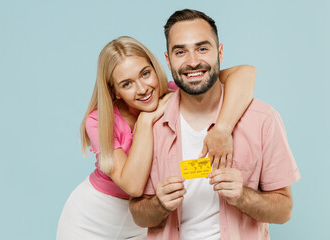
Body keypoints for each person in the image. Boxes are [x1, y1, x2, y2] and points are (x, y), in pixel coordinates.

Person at [56, 35, 256, 239]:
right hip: (93, 217)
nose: (142, 89)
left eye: (145, 73)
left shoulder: (174, 91)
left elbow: (245, 73)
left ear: (156, 67)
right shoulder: (99, 120)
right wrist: (145, 121)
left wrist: (222, 128)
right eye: (127, 84)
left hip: (146, 215)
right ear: (114, 91)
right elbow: (133, 185)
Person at [129, 9, 301, 240]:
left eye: (202, 48)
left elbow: (284, 211)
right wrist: (159, 204)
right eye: (180, 51)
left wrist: (242, 196)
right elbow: (139, 215)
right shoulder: (152, 125)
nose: (192, 62)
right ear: (168, 60)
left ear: (219, 52)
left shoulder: (263, 120)